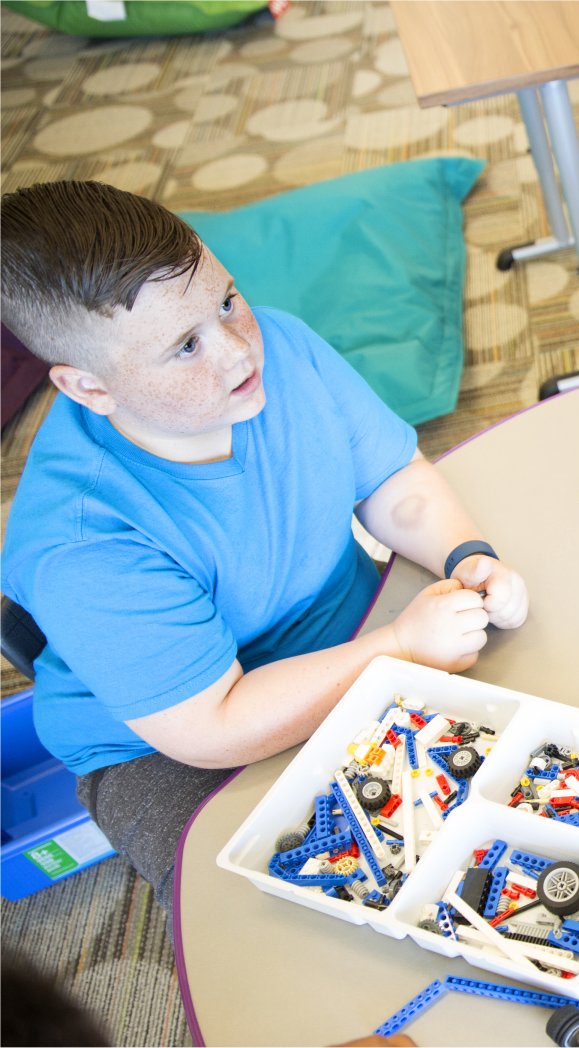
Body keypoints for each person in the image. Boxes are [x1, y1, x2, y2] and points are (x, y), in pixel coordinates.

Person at [0, 181, 529, 907]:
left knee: (511, 781)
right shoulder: (84, 547)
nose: (238, 350)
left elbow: (388, 476)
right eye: (184, 346)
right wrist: (400, 650)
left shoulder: (277, 343)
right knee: (280, 902)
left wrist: (466, 555)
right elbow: (212, 727)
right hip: (171, 749)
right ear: (88, 389)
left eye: (225, 300)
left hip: (349, 629)